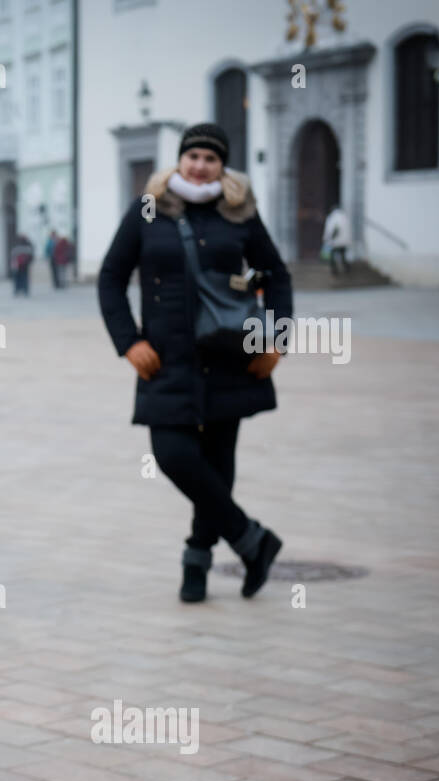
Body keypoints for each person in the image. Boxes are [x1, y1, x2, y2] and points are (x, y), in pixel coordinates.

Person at [97, 122, 291, 603]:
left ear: (222, 166)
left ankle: (197, 561)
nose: (200, 166)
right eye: (193, 156)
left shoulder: (239, 212)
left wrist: (277, 340)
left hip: (229, 359)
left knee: (219, 465)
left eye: (211, 158)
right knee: (173, 456)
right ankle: (253, 540)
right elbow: (110, 277)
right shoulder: (148, 208)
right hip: (165, 360)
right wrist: (128, 341)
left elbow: (276, 275)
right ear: (179, 161)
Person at [323, 204, 350, 276]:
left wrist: (328, 238)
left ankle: (334, 271)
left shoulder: (332, 217)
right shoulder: (344, 216)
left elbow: (332, 229)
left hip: (335, 241)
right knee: (343, 255)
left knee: (332, 256)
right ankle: (346, 269)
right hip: (345, 241)